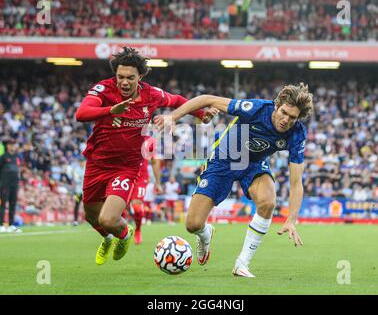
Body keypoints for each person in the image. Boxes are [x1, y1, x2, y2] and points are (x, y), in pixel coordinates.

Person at [75, 46, 216, 266]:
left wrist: (200, 113)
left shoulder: (152, 94)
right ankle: (108, 237)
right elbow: (81, 113)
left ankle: (124, 234)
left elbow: (177, 100)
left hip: (127, 167)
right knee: (91, 216)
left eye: (130, 78)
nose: (124, 82)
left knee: (108, 218)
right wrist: (111, 110)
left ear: (140, 76)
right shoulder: (103, 90)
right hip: (97, 163)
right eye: (120, 77)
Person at [155, 83, 313, 277]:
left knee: (268, 202)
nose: (285, 120)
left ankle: (242, 263)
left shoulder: (297, 133)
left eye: (292, 117)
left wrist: (291, 219)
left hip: (254, 165)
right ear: (276, 105)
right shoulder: (256, 109)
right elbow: (207, 99)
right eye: (283, 112)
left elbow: (296, 182)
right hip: (224, 160)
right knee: (193, 225)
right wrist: (173, 116)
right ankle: (205, 234)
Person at [0, 139, 22, 233]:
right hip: (5, 184)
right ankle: (1, 225)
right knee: (3, 204)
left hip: (14, 184)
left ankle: (11, 225)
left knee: (13, 204)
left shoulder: (17, 156)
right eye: (11, 144)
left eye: (14, 144)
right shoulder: (3, 157)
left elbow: (18, 168)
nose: (13, 146)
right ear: (8, 146)